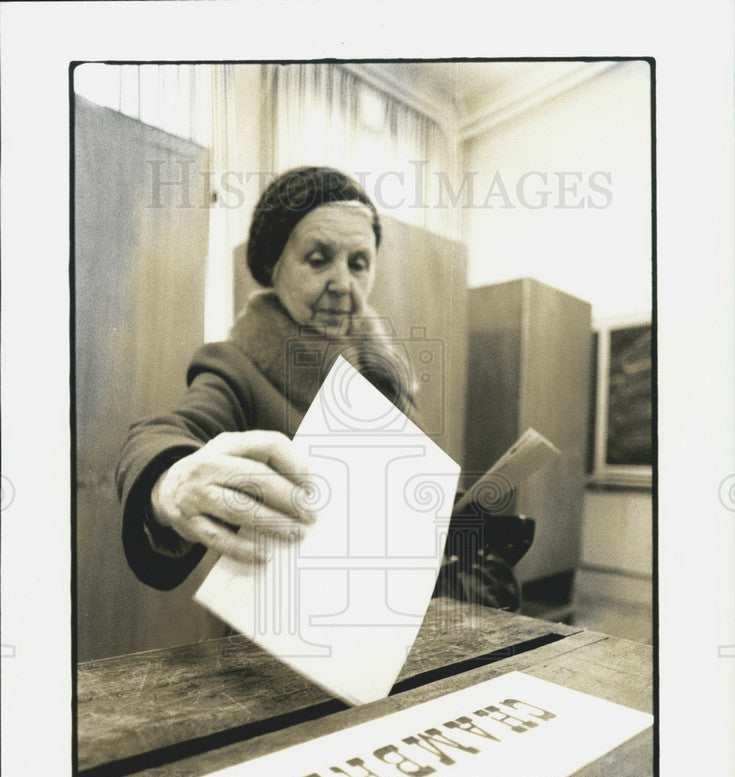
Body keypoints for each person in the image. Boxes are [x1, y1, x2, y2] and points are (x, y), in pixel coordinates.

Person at [116, 165, 530, 606]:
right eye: (317, 259)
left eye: (358, 263)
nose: (342, 284)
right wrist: (169, 482)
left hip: (392, 625)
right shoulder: (236, 369)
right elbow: (165, 434)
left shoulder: (386, 377)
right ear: (274, 267)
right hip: (281, 637)